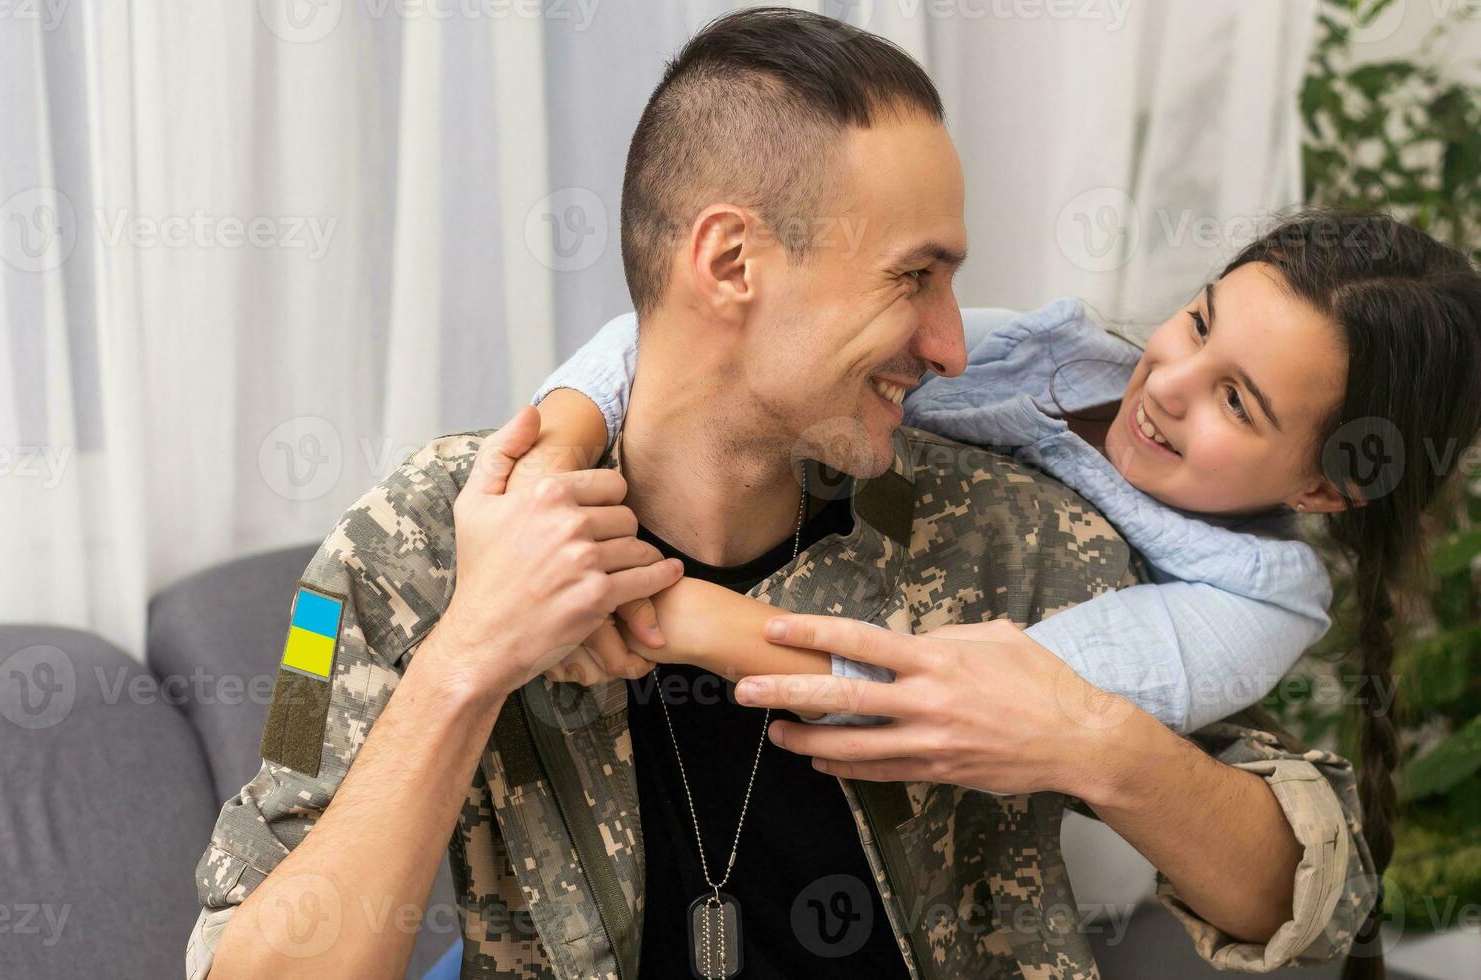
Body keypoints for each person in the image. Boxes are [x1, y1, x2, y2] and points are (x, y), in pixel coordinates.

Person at [187, 9, 1376, 979]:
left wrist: (1093, 739)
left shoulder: (1013, 532)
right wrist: (466, 660)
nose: (956, 346)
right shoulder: (409, 546)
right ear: (730, 263)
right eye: (914, 277)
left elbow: (1312, 893)